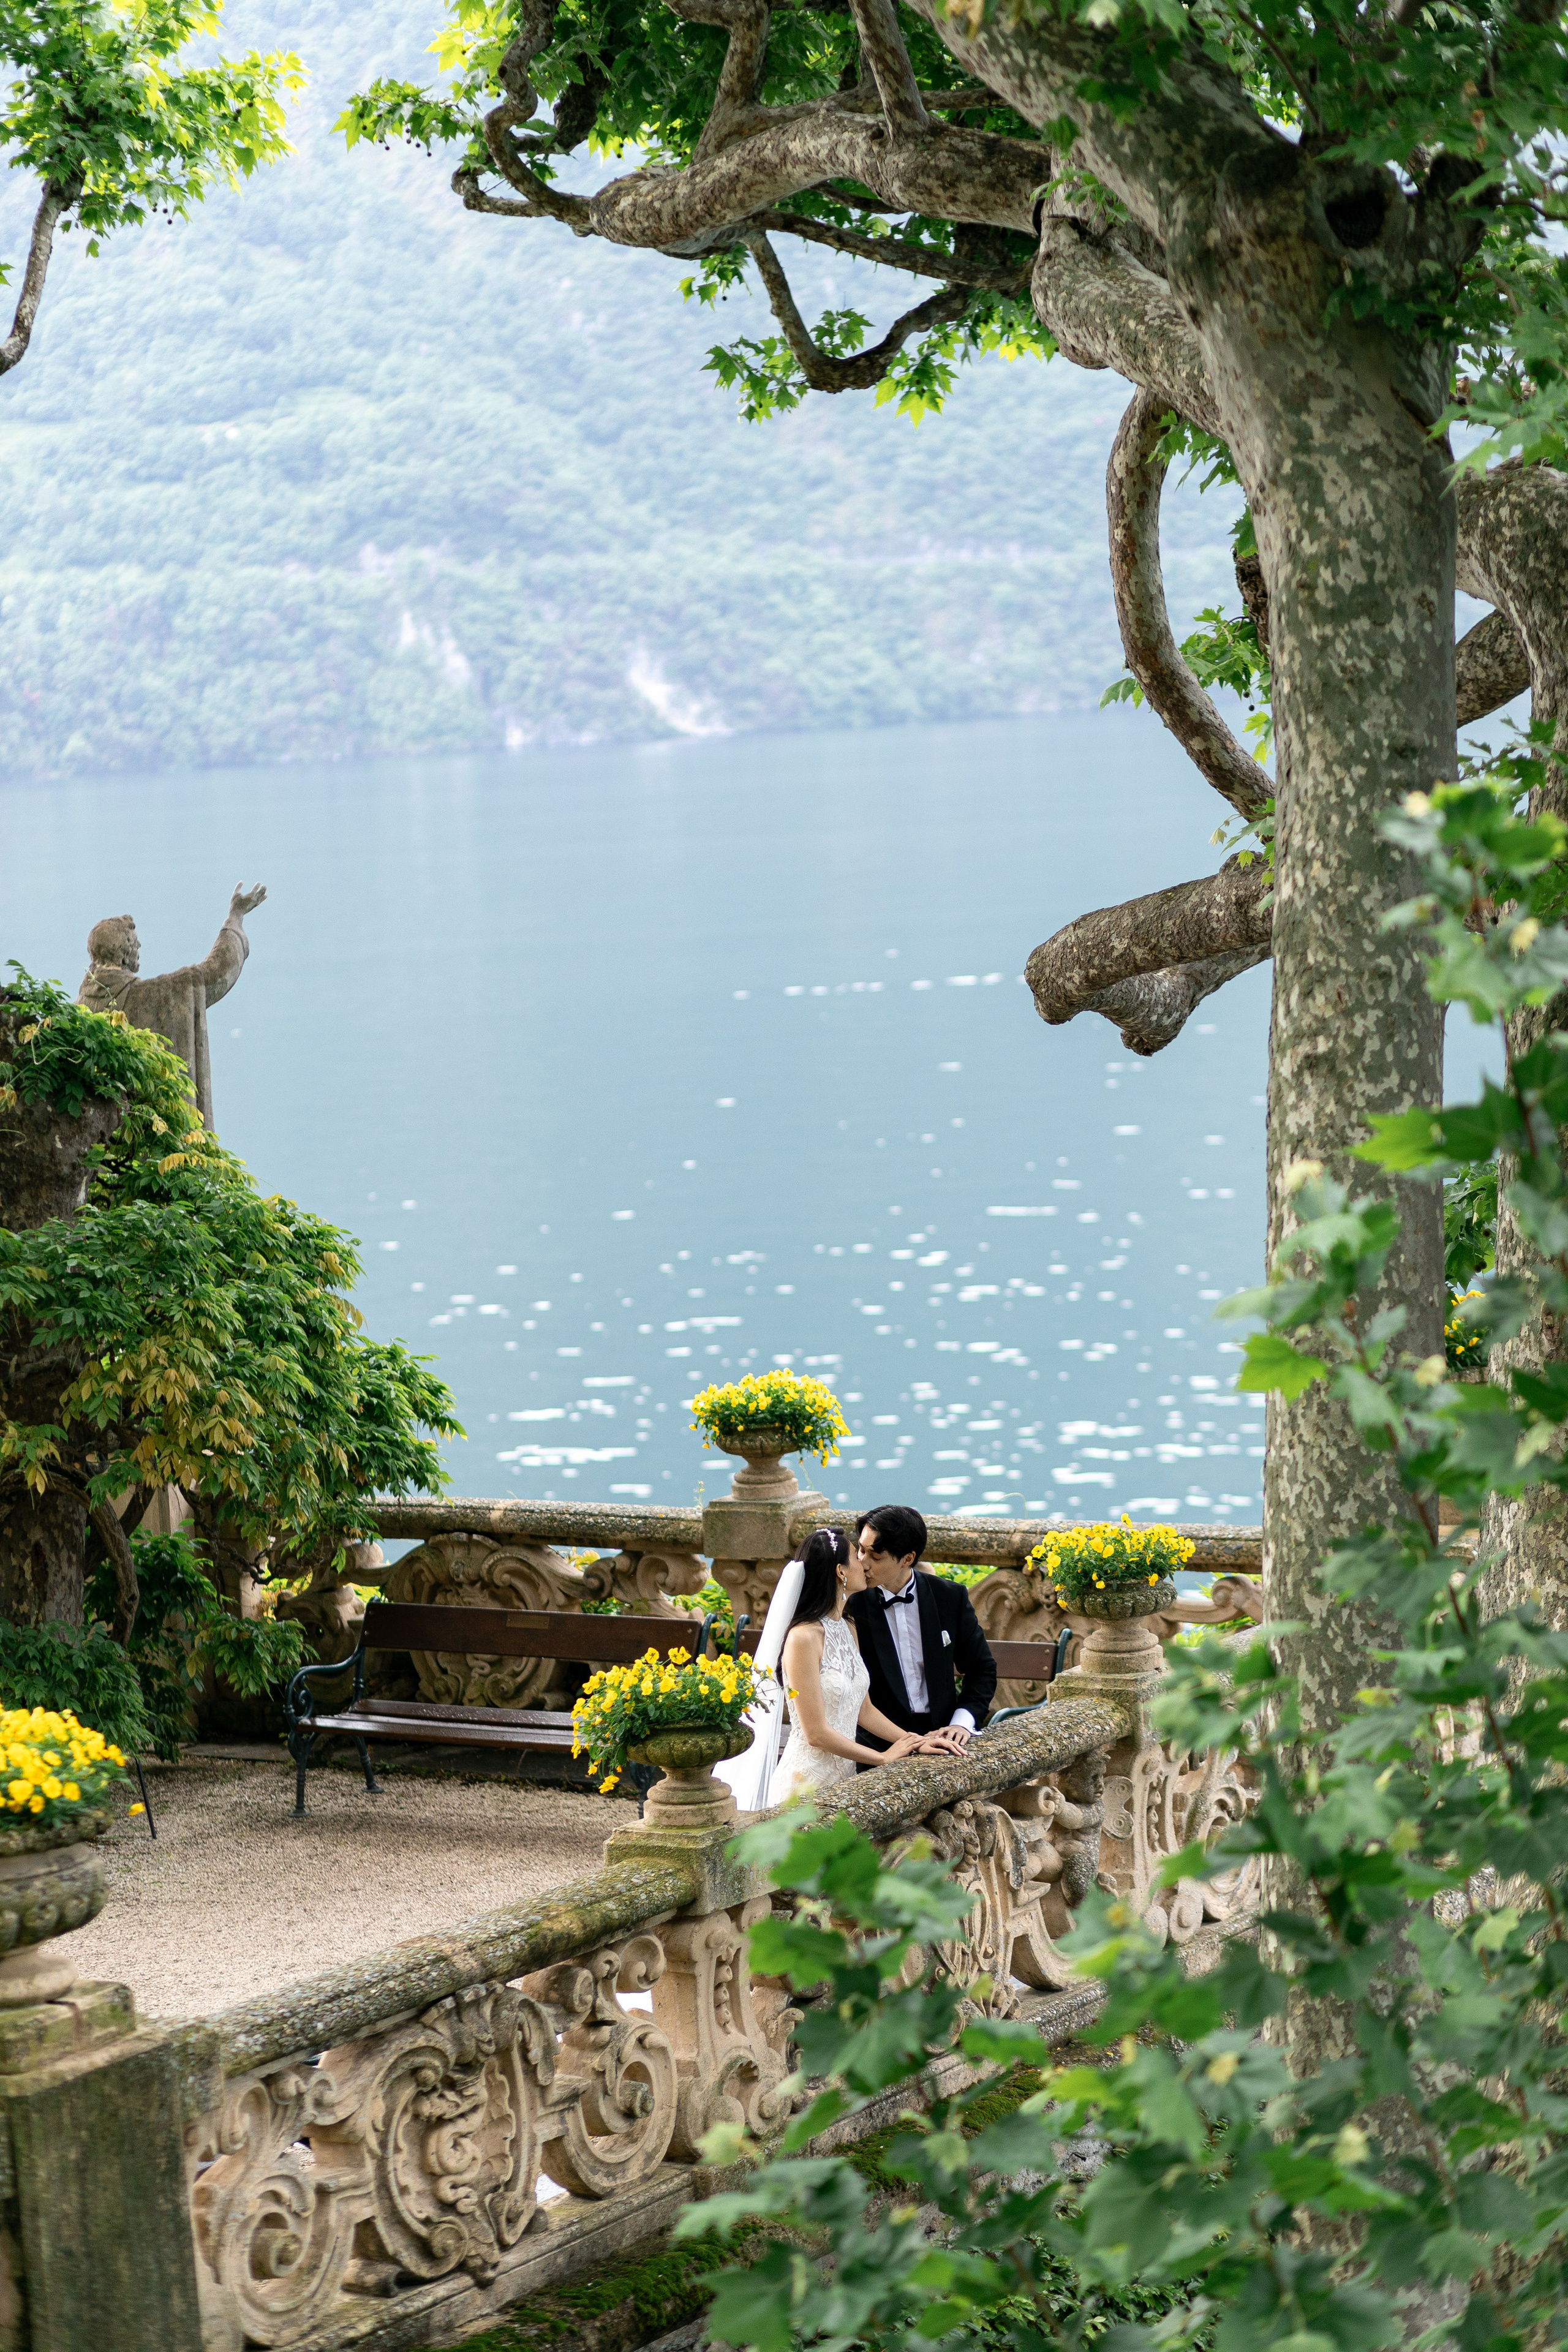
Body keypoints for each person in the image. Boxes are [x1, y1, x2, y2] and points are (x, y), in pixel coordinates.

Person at [750, 1529, 965, 1807]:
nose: (864, 1563)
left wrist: (915, 1741)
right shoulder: (803, 1638)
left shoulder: (847, 1626)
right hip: (805, 1784)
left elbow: (864, 1710)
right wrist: (884, 1758)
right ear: (841, 1572)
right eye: (856, 1555)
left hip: (845, 1780)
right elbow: (815, 1733)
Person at [78, 883, 266, 1134]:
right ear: (123, 953)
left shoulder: (82, 1003)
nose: (140, 945)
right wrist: (235, 918)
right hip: (146, 1136)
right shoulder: (146, 997)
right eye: (135, 942)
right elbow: (214, 972)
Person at [846, 1504, 997, 1755]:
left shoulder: (949, 1597)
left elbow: (982, 1669)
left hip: (943, 1738)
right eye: (861, 1550)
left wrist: (961, 1723)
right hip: (875, 1746)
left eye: (875, 1556)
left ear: (907, 1559)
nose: (863, 1563)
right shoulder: (849, 1604)